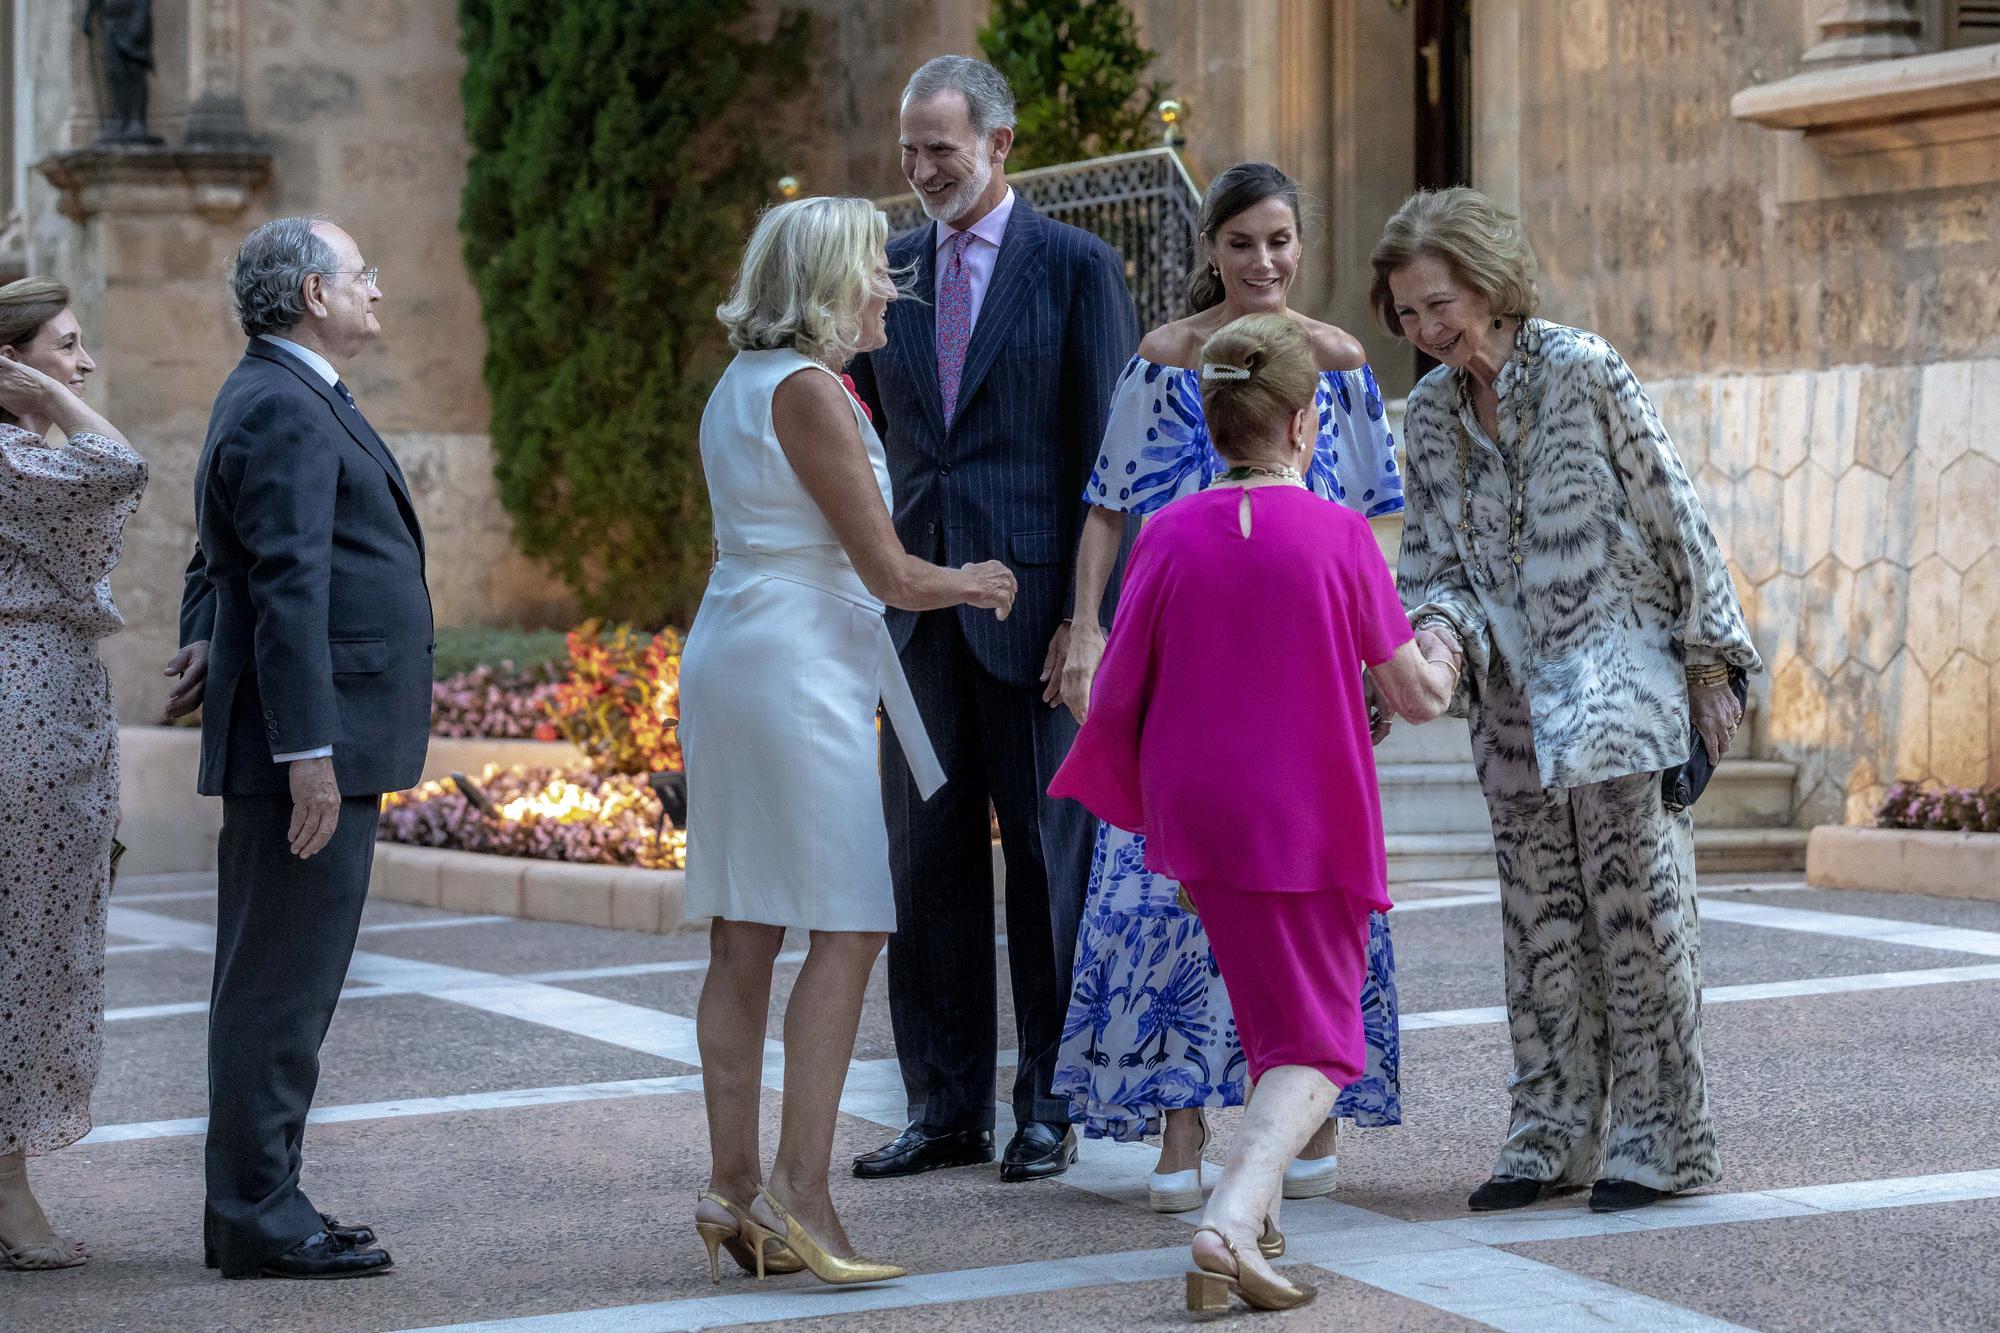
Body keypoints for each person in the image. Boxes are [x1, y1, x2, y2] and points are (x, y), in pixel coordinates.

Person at [1051, 314, 1459, 1314]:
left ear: (1212, 414)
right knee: (1322, 1043)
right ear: (1299, 421)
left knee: (1274, 1018)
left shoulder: (1171, 532)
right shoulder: (1335, 533)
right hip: (1304, 815)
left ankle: (1254, 1224)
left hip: (1195, 821)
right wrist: (1445, 641)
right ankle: (1229, 1219)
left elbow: (1113, 699)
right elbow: (1413, 694)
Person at [1373, 186, 1760, 1214]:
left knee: (1638, 918)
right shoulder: (1427, 418)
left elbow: (1672, 510)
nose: (1423, 328)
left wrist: (1711, 666)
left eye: (1437, 302)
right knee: (1536, 924)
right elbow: (1429, 567)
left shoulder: (1583, 370)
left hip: (1618, 682)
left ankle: (1662, 1136)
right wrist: (1431, 645)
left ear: (1489, 282)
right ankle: (1549, 1130)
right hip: (1509, 708)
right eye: (1406, 312)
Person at [1052, 162, 1405, 1213]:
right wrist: (1084, 627)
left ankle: (1305, 1131)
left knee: (1313, 888)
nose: (1264, 260)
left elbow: (1378, 506)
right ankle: (1178, 1136)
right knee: (1169, 893)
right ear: (1210, 247)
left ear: (1303, 246)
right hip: (1184, 652)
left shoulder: (1338, 363)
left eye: (1281, 240)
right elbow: (1108, 506)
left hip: (1305, 662)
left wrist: (1369, 636)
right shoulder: (1164, 359)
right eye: (1244, 241)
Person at [683, 195, 1016, 1286]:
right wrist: (977, 579)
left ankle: (733, 1191)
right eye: (874, 273)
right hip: (793, 672)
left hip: (743, 646)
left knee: (743, 932)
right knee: (851, 922)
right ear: (825, 284)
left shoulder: (737, 385)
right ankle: (799, 1194)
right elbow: (888, 574)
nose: (889, 289)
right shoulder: (810, 390)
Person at [845, 54, 1139, 1185]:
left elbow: (1108, 466)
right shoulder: (888, 273)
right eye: (909, 150)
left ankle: (1047, 1102)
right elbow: (859, 433)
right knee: (923, 863)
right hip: (914, 617)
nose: (920, 170)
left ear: (999, 146)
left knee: (1044, 861)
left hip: (1035, 624)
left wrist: (1087, 619)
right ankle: (941, 1103)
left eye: (941, 150)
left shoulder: (1072, 267)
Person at [170, 217, 429, 1278]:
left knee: (281, 980)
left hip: (316, 733)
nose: (377, 287)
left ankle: (259, 1196)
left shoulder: (281, 391)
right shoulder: (282, 401)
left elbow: (214, 561)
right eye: (362, 272)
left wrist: (200, 640)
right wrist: (306, 748)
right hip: (310, 746)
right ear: (315, 293)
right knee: (280, 985)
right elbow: (282, 582)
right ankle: (257, 1212)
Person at [0, 278, 146, 1271]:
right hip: (29, 708)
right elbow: (120, 464)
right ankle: (8, 1191)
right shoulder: (18, 455)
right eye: (65, 346)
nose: (81, 365)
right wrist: (46, 400)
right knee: (27, 955)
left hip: (39, 704)